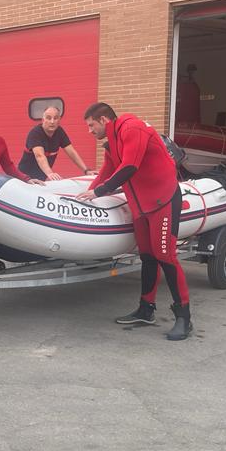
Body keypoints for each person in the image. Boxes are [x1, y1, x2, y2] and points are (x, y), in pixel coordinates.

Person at [77, 102, 192, 341]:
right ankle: (145, 310)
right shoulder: (112, 143)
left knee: (165, 256)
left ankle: (184, 317)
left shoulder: (132, 128)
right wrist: (86, 194)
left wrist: (101, 192)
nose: (89, 131)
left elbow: (130, 166)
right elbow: (106, 171)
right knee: (148, 257)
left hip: (163, 199)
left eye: (91, 125)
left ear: (104, 121)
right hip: (141, 206)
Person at [17, 104, 97, 180]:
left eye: (55, 118)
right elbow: (39, 156)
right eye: (48, 118)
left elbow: (72, 152)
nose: (52, 121)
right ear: (43, 120)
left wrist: (86, 170)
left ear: (59, 120)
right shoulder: (35, 133)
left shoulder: (59, 132)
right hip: (23, 178)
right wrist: (50, 173)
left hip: (40, 180)